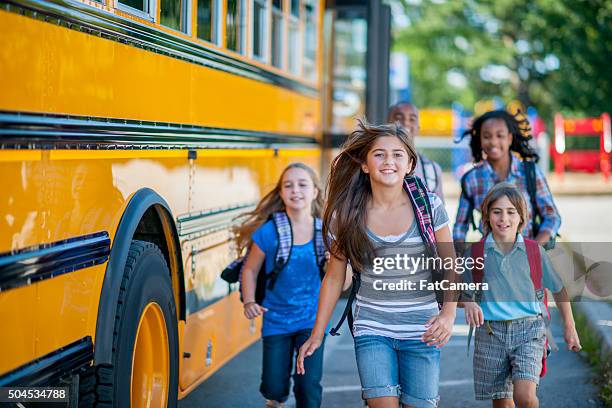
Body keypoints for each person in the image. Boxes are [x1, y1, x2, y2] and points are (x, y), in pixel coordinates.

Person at [297, 120, 458, 408]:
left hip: (423, 330)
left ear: (409, 164)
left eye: (398, 154)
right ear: (365, 165)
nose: (389, 161)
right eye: (379, 154)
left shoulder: (430, 207)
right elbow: (334, 278)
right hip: (373, 329)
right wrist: (317, 333)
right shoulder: (346, 215)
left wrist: (447, 314)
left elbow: (450, 265)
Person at [462, 183, 581, 408]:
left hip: (529, 330)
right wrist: (468, 303)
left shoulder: (534, 251)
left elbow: (558, 288)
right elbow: (461, 293)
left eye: (510, 212)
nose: (503, 218)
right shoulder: (475, 253)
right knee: (502, 402)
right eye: (496, 211)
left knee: (525, 397)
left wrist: (570, 326)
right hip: (490, 333)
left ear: (521, 218)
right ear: (486, 216)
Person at [237, 163, 326, 408]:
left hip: (312, 321)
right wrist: (249, 301)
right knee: (274, 387)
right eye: (288, 185)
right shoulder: (270, 232)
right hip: (276, 320)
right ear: (281, 193)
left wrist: (336, 264)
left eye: (302, 184)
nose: (295, 190)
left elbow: (342, 283)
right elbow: (250, 269)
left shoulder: (326, 232)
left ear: (315, 192)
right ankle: (275, 401)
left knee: (308, 387)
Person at [453, 110, 561, 247]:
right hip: (489, 260)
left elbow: (552, 216)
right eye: (487, 136)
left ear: (509, 138)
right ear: (480, 139)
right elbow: (460, 227)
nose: (493, 142)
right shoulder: (471, 179)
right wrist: (458, 254)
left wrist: (535, 248)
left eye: (500, 136)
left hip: (528, 259)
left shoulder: (530, 173)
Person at [388, 101, 445, 200]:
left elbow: (439, 212)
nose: (406, 122)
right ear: (387, 123)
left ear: (418, 128)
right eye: (398, 118)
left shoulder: (432, 170)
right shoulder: (375, 165)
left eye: (412, 119)